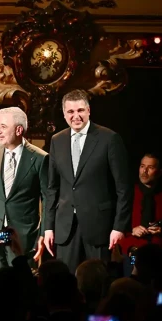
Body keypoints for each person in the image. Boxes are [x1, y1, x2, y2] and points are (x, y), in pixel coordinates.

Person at [44, 89, 132, 274]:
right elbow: (52, 189)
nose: (76, 116)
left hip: (99, 227)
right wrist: (48, 228)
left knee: (98, 282)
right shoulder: (56, 140)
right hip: (66, 227)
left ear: (89, 110)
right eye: (71, 112)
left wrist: (119, 227)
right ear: (64, 114)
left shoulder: (109, 139)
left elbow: (123, 187)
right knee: (66, 283)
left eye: (80, 111)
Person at [0, 107, 48, 270]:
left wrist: (42, 233)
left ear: (18, 129)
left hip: (24, 238)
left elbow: (48, 199)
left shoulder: (40, 158)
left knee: (22, 289)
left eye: (3, 127)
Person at [118, 153, 162, 274]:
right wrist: (132, 229)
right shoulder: (128, 195)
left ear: (159, 172)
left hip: (159, 255)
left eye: (150, 167)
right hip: (133, 253)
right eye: (142, 166)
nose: (145, 171)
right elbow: (115, 223)